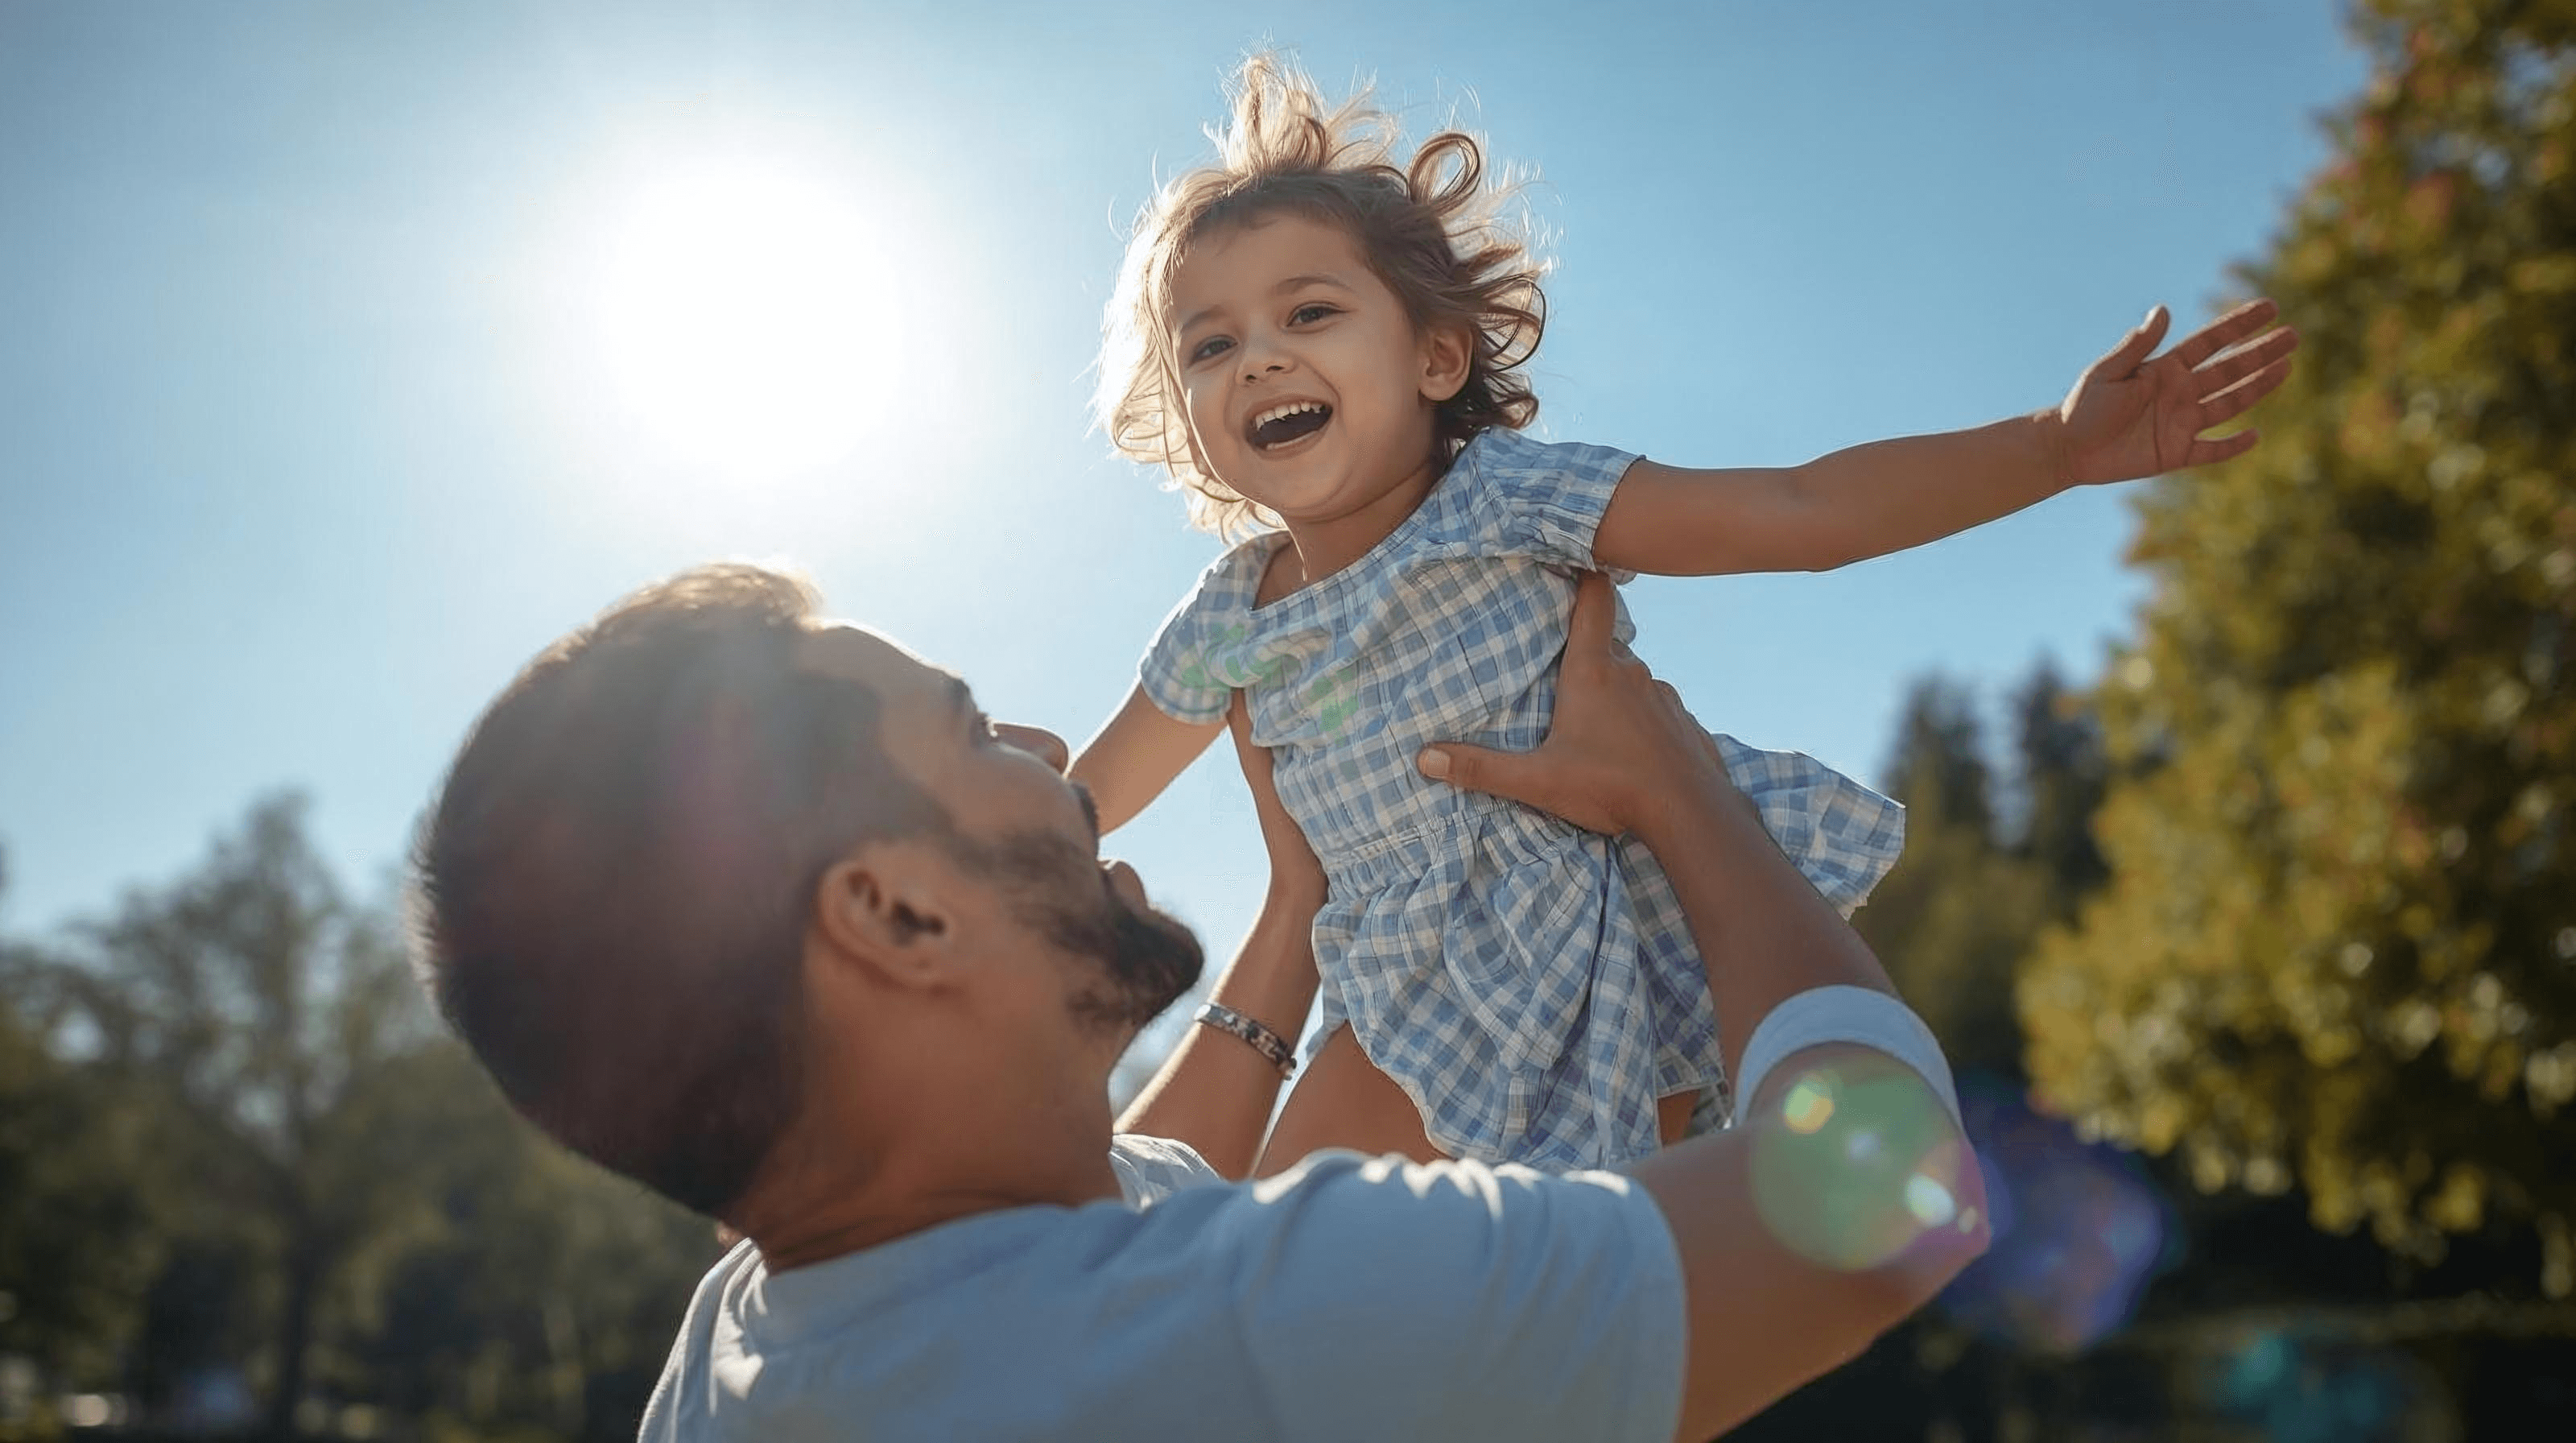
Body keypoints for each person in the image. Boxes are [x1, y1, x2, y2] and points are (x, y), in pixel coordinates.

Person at [411, 562, 1986, 1441]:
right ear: (894, 910)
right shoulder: (1270, 1330)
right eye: (969, 728)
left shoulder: (746, 1342)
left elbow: (1124, 1216)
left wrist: (1300, 916)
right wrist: (1672, 784)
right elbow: (1880, 1207)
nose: (1043, 742)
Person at [1071, 57, 2299, 1172]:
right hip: (1400, 991)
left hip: (1597, 938)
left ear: (1436, 362)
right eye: (1210, 345)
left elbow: (1804, 509)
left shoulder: (1508, 500)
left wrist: (2047, 449)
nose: (1260, 361)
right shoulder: (1232, 613)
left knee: (1605, 1283)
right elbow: (1092, 797)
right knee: (1303, 1282)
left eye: (1310, 314)